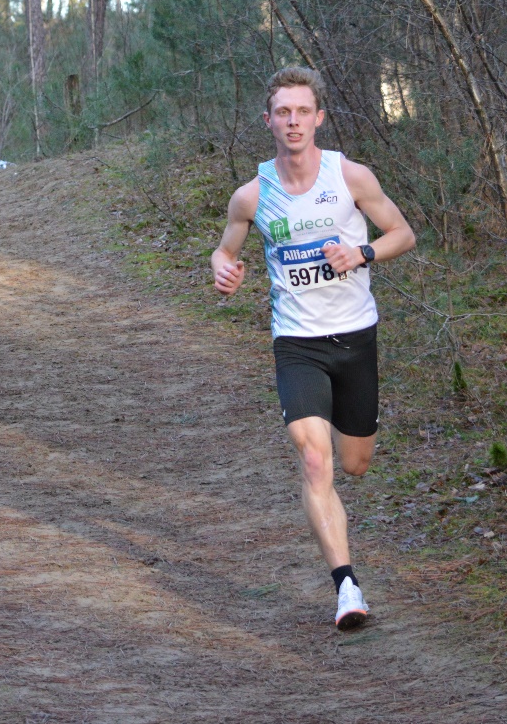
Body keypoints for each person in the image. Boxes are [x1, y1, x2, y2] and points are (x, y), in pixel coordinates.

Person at [210, 66, 416, 630]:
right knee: (314, 456)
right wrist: (224, 272)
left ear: (319, 117)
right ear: (269, 121)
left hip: (356, 336)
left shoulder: (350, 176)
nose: (293, 121)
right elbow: (224, 251)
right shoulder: (252, 195)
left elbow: (402, 232)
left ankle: (346, 555)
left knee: (355, 462)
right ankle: (346, 586)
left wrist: (364, 254)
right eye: (283, 112)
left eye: (303, 111)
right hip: (297, 343)